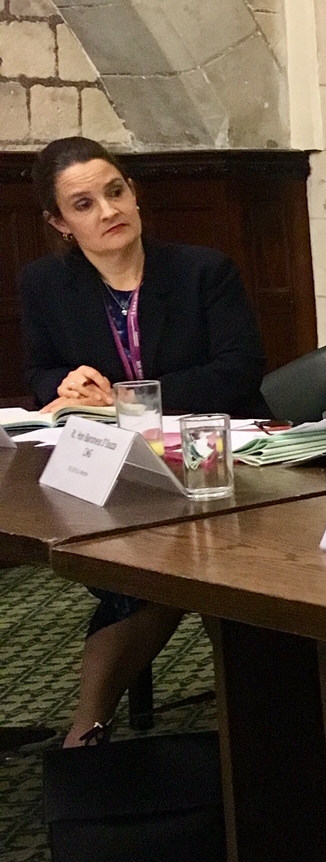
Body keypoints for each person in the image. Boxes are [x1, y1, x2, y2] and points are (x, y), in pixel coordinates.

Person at [18, 136, 267, 748]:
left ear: (133, 193)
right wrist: (66, 383)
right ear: (59, 222)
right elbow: (40, 371)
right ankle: (92, 731)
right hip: (118, 472)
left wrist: (129, 397)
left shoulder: (201, 270)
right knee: (148, 562)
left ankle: (92, 730)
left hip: (222, 460)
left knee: (177, 565)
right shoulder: (45, 284)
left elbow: (239, 369)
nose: (107, 210)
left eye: (115, 191)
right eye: (84, 204)